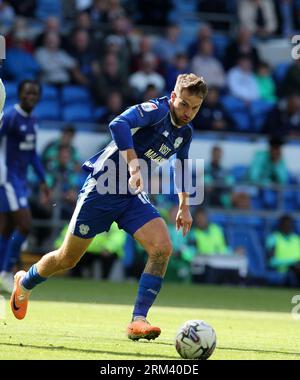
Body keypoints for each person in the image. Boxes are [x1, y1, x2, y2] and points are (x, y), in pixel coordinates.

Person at [10, 73, 208, 342]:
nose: (188, 112)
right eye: (184, 104)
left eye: (195, 107)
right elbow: (118, 124)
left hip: (131, 195)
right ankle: (26, 281)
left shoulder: (185, 132)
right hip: (102, 188)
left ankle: (138, 319)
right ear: (173, 97)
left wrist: (185, 206)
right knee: (67, 259)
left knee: (162, 247)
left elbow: (182, 166)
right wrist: (134, 164)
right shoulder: (155, 111)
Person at [0, 80, 50, 292]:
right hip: (7, 179)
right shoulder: (10, 117)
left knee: (6, 228)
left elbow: (31, 154)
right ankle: (5, 272)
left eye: (34, 93)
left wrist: (42, 180)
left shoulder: (33, 121)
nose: (31, 96)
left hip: (20, 180)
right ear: (20, 94)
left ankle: (2, 271)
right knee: (25, 223)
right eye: (27, 92)